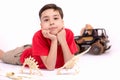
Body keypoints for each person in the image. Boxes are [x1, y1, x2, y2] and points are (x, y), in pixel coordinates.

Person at [0, 3, 78, 70]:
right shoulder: (38, 36)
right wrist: (54, 40)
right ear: (41, 25)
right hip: (25, 56)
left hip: (40, 48)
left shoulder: (69, 33)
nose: (51, 22)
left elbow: (69, 65)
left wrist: (63, 41)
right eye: (46, 20)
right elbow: (50, 67)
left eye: (55, 18)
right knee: (3, 56)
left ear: (62, 22)